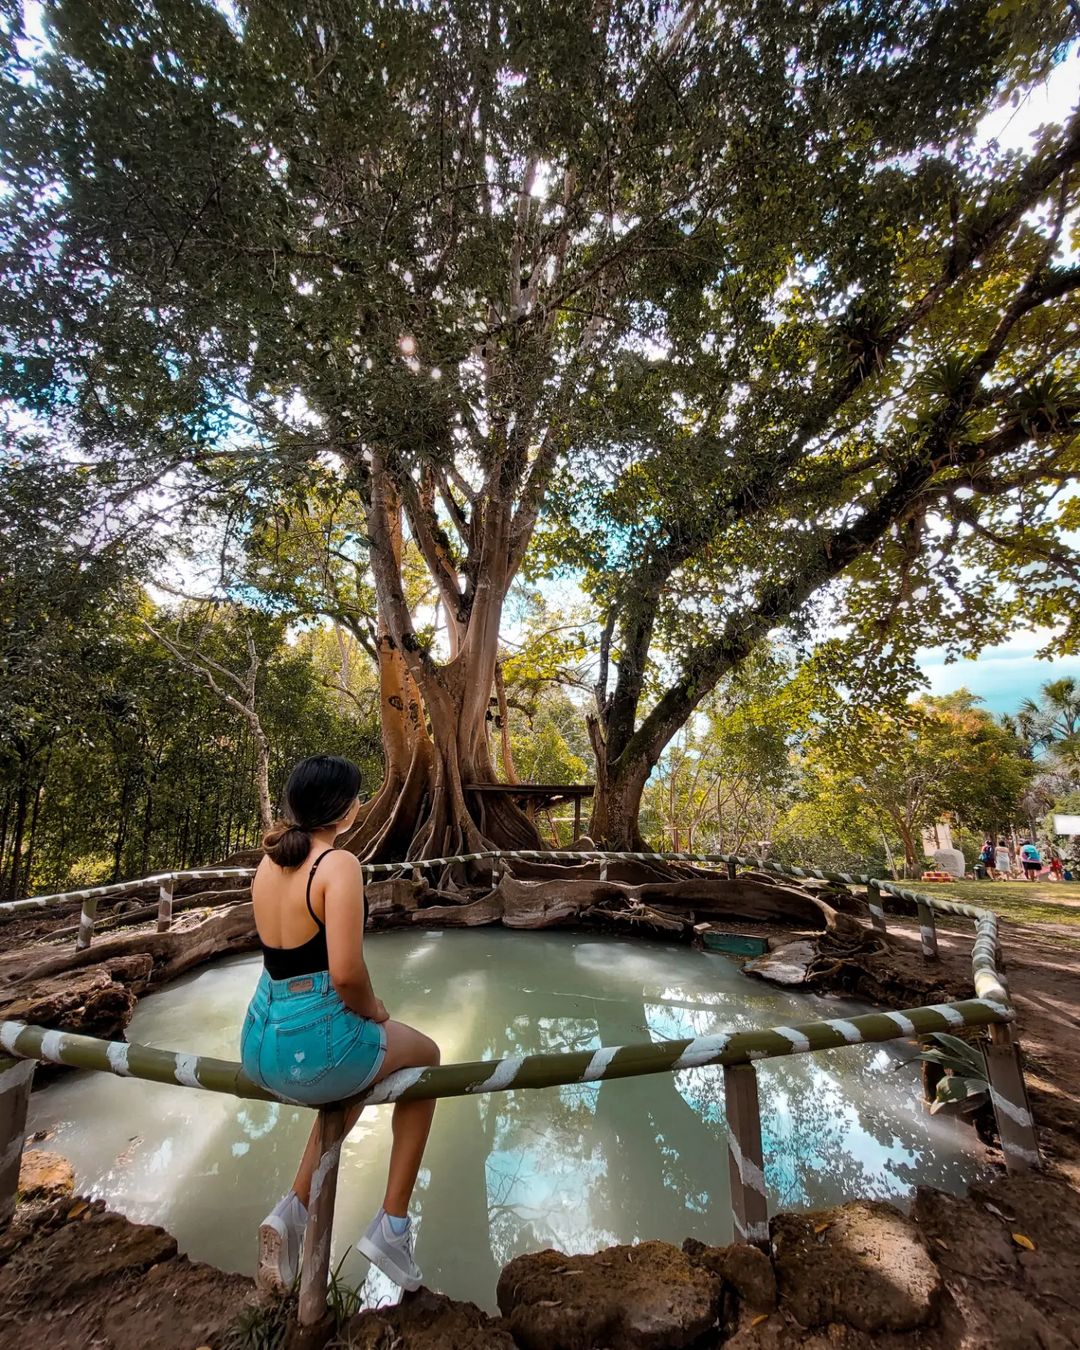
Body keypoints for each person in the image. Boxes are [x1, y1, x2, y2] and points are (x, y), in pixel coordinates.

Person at [241, 754, 440, 1294]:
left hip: (260, 1045)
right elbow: (347, 974)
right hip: (315, 1049)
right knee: (428, 1059)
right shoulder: (338, 867)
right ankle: (392, 1225)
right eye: (359, 797)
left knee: (357, 1071)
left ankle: (293, 1207)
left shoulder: (267, 864)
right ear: (347, 810)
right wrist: (375, 1008)